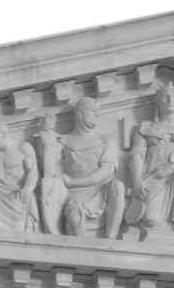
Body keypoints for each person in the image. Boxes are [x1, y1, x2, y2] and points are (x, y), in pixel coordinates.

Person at [42, 98, 125, 238]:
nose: (97, 114)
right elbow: (49, 165)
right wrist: (48, 131)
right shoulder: (64, 141)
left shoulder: (106, 140)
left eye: (98, 111)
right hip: (74, 195)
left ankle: (111, 240)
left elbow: (107, 170)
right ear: (81, 113)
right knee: (74, 219)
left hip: (100, 191)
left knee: (118, 187)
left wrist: (72, 181)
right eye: (93, 110)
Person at [127, 82, 174, 235]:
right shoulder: (146, 127)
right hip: (153, 177)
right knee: (151, 220)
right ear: (158, 101)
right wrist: (136, 179)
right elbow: (137, 153)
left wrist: (173, 166)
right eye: (164, 96)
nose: (170, 100)